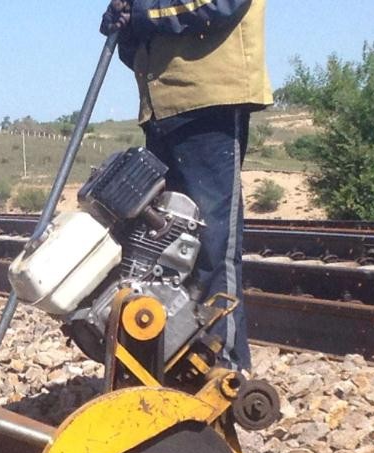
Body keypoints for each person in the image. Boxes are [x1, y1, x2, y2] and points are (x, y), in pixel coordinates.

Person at [100, 0, 272, 371]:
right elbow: (148, 45)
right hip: (163, 105)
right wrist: (126, 28)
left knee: (210, 243)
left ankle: (224, 367)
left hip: (210, 100)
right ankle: (179, 357)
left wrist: (142, 13)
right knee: (168, 245)